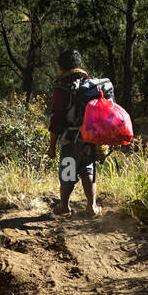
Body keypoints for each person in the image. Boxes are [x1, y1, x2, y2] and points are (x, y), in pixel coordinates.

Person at [47, 48, 100, 217]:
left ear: (62, 67)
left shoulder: (62, 90)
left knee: (68, 172)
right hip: (90, 138)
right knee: (88, 170)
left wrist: (52, 147)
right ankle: (92, 206)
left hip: (70, 139)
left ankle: (64, 206)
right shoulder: (92, 86)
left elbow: (56, 121)